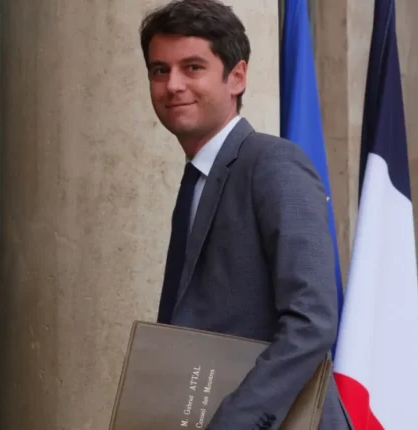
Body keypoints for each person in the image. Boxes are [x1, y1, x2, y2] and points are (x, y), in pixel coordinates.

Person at [139, 1, 348, 428]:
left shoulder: (273, 163)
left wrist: (234, 422)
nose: (173, 85)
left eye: (192, 67)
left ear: (237, 77)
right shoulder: (197, 179)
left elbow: (312, 321)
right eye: (160, 70)